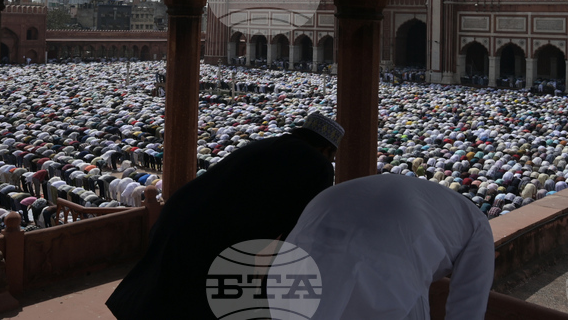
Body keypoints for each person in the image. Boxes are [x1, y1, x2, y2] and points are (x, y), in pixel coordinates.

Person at [106, 112, 343, 320]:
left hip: (181, 213)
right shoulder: (318, 164)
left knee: (161, 288)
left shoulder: (269, 143)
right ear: (326, 149)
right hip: (213, 231)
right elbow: (304, 223)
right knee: (199, 299)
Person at [273, 174, 494, 320]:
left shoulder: (451, 211)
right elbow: (468, 306)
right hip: (390, 240)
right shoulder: (478, 227)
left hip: (322, 214)